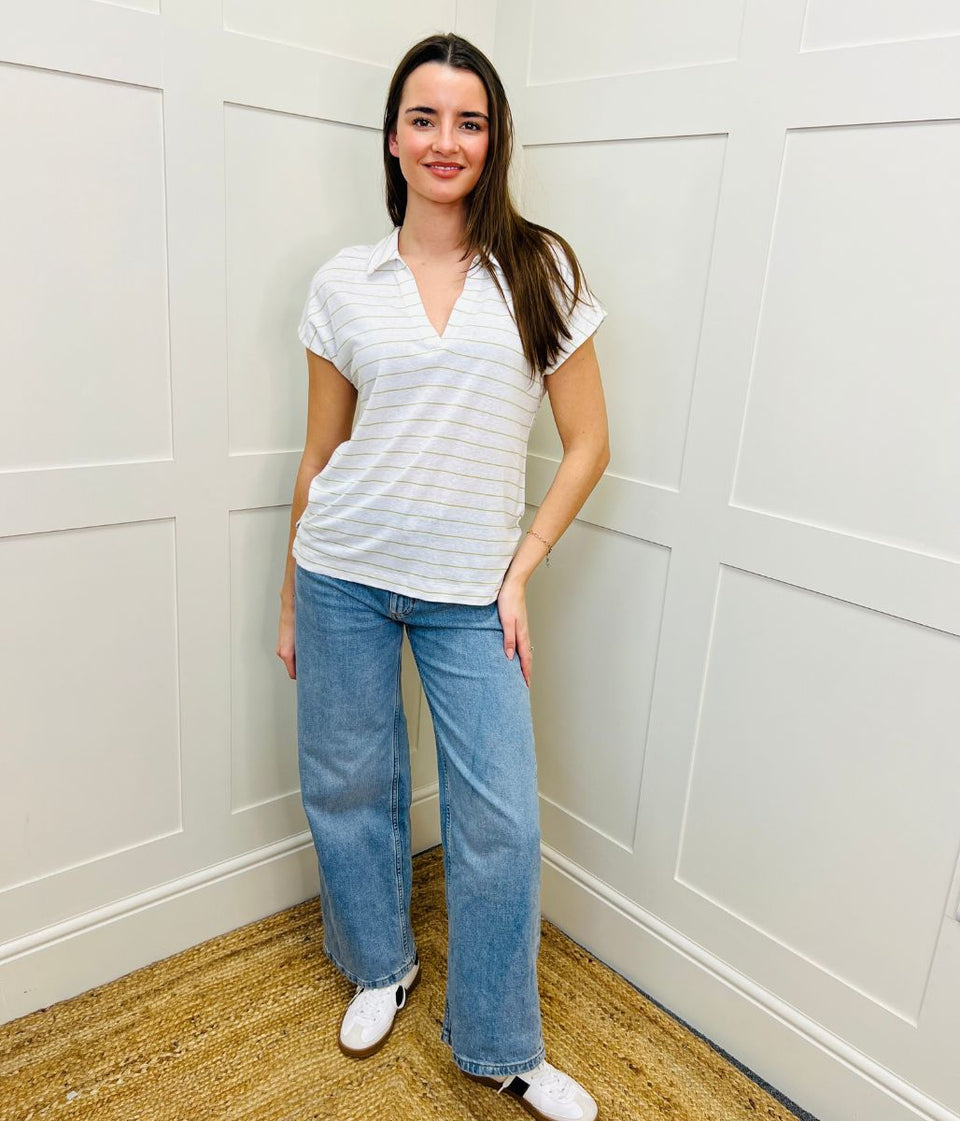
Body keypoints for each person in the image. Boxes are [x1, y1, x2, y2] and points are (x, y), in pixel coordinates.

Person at [276, 31, 610, 1121]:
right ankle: (381, 963)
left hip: (473, 590)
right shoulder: (344, 283)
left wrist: (522, 567)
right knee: (349, 787)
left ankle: (499, 1040)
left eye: (469, 120)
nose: (446, 140)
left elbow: (590, 442)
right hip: (343, 572)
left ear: (494, 137)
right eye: (426, 117)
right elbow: (321, 457)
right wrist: (288, 592)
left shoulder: (539, 268)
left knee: (501, 818)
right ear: (393, 137)